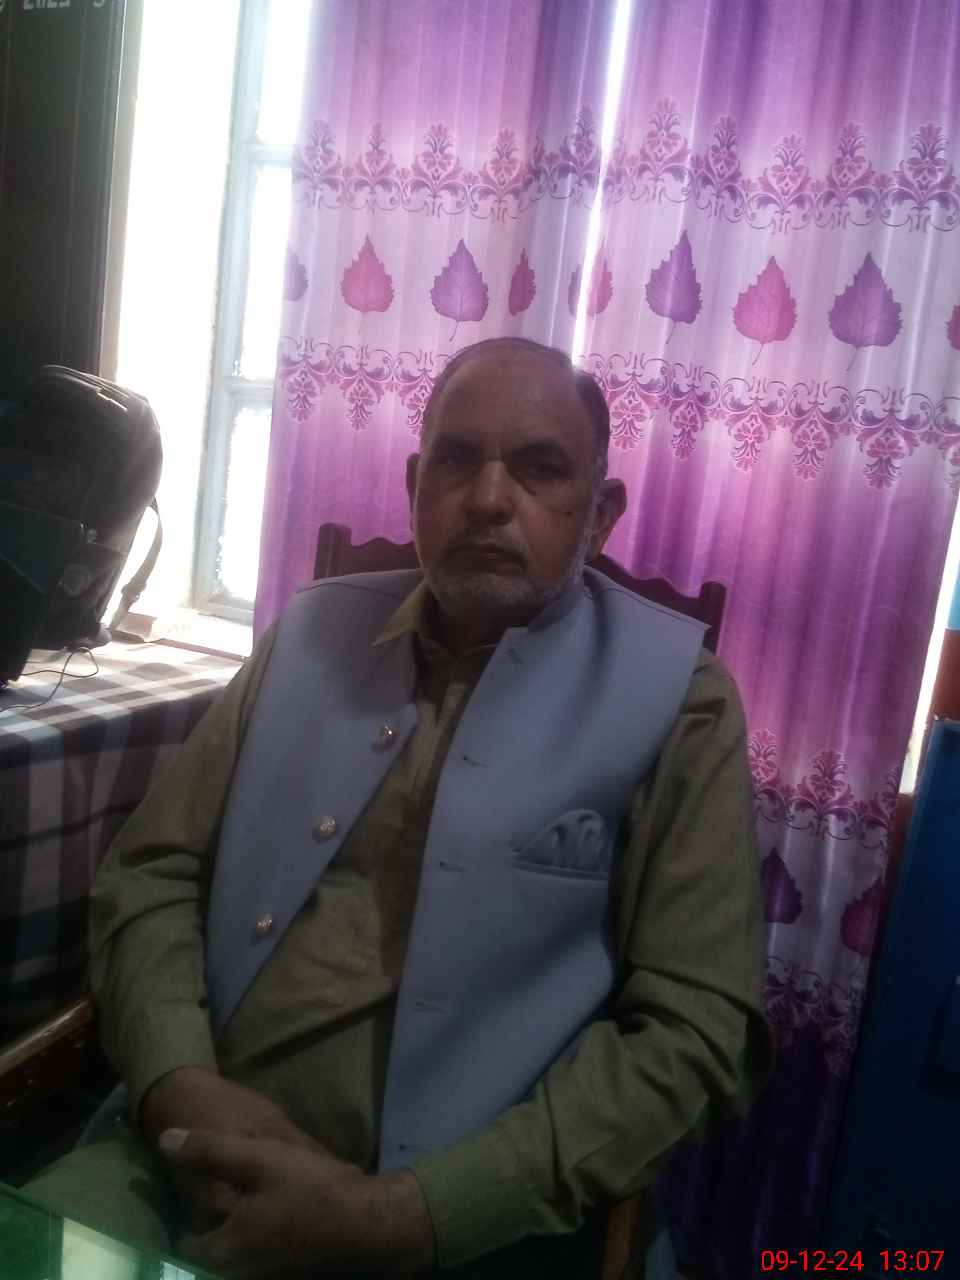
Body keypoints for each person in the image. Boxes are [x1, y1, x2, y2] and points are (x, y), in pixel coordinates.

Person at [27, 337, 771, 1278]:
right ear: (417, 487)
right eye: (456, 459)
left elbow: (698, 1030)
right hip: (181, 1158)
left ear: (601, 516)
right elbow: (153, 874)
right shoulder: (307, 635)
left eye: (540, 468)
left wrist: (406, 1217)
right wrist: (179, 1085)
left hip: (467, 1231)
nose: (488, 498)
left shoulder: (681, 701)